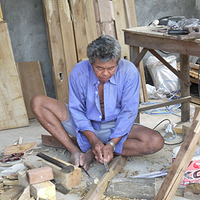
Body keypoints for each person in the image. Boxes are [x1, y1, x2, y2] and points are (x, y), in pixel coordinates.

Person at [31, 35, 164, 171]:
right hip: (83, 126)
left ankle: (97, 151)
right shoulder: (79, 72)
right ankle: (75, 150)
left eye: (111, 68)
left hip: (115, 125)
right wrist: (93, 140)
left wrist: (111, 144)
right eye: (99, 68)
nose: (105, 73)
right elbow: (77, 110)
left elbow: (128, 112)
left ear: (117, 62)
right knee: (38, 102)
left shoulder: (129, 72)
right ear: (90, 62)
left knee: (155, 142)